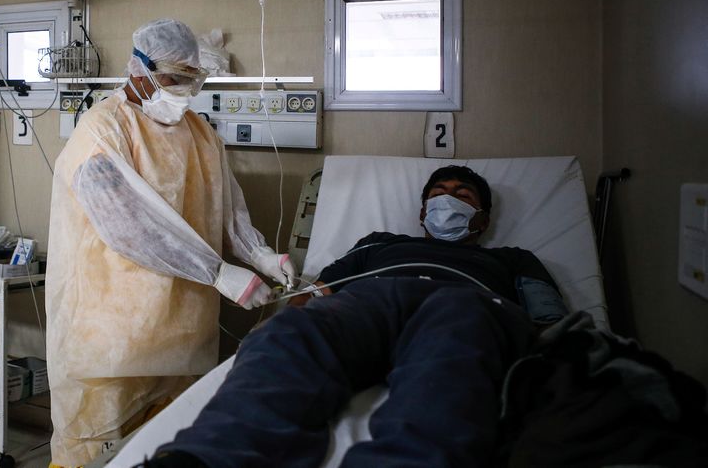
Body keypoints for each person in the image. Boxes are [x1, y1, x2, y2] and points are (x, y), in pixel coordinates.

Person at [140, 165, 569, 468]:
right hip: (374, 300)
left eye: (462, 196)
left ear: (482, 219)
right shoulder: (379, 243)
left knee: (449, 360)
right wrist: (282, 322)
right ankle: (205, 459)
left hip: (464, 303)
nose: (448, 201)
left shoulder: (513, 259)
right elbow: (317, 293)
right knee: (291, 334)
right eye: (438, 194)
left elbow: (550, 320)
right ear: (422, 214)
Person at [45, 18, 297, 467]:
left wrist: (259, 255)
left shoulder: (199, 134)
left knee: (170, 448)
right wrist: (219, 273)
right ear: (139, 70)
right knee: (95, 452)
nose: (183, 90)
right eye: (173, 79)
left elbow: (225, 208)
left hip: (184, 331)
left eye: (191, 79)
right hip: (113, 337)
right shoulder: (101, 132)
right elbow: (130, 225)